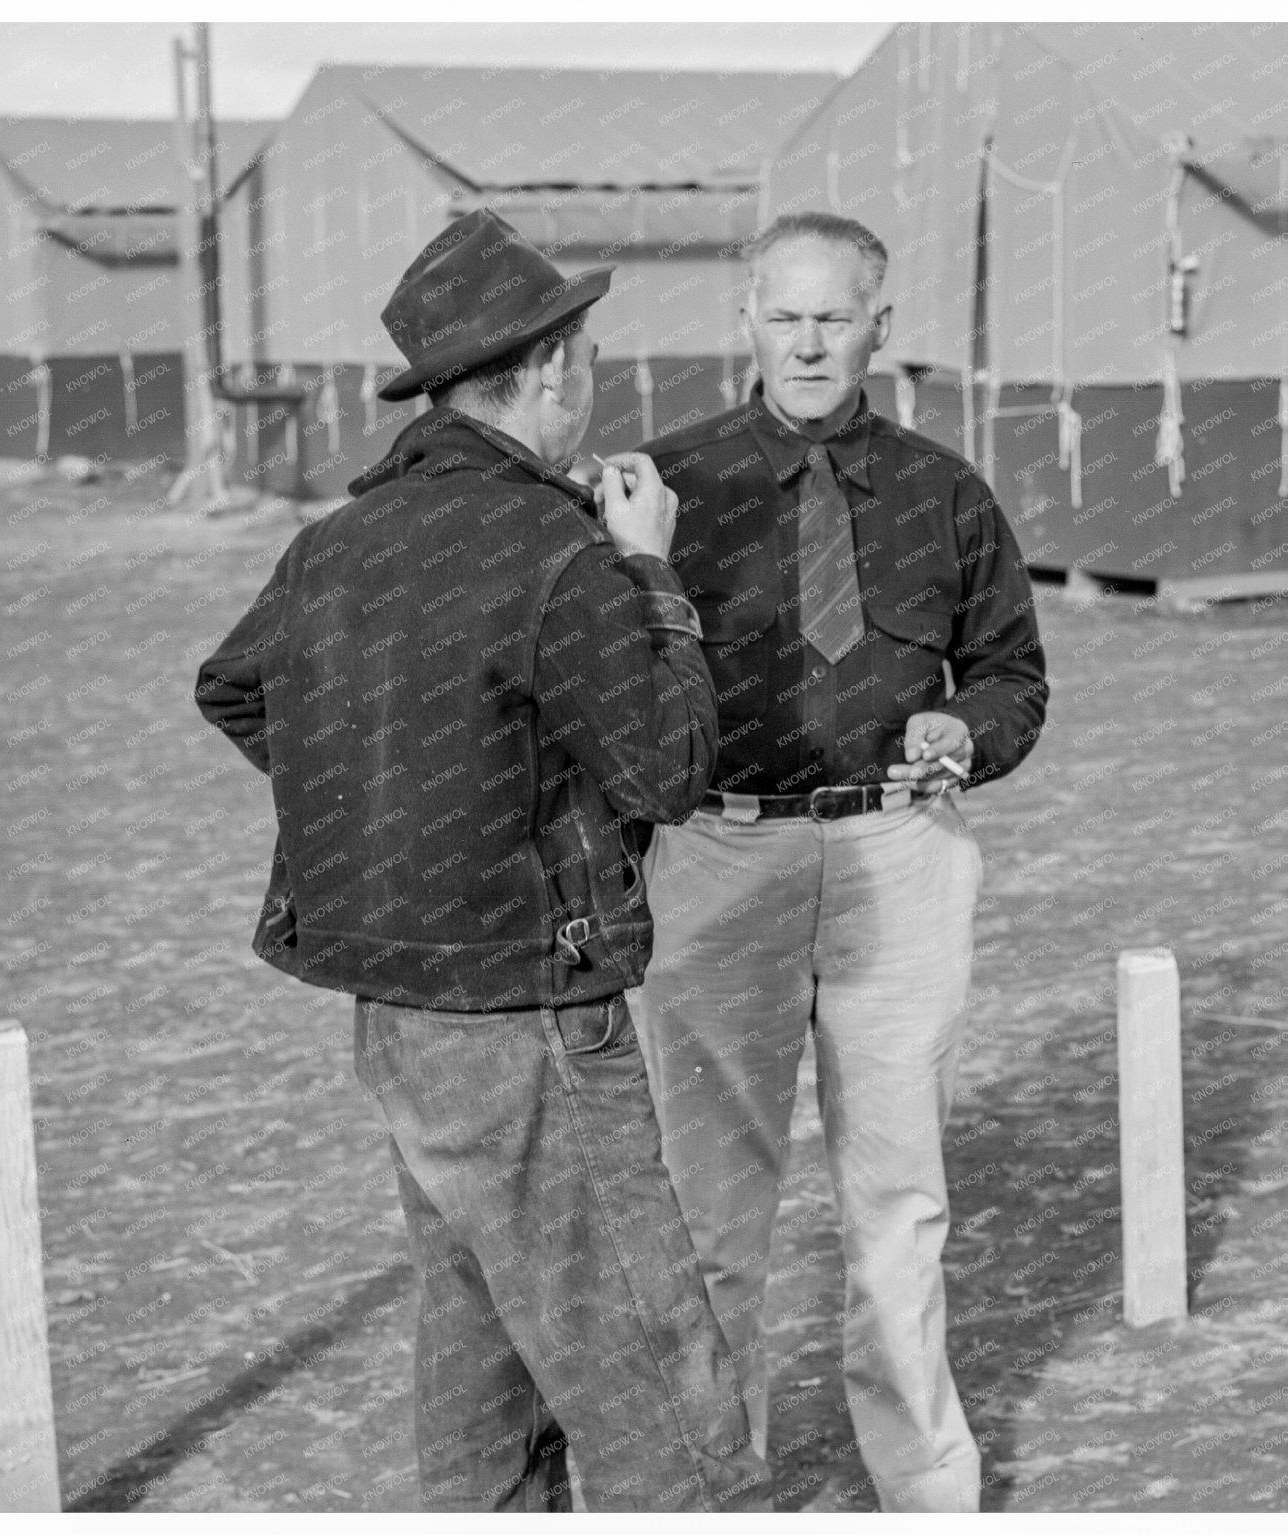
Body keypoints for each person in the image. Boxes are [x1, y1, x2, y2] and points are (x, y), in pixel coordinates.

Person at [194, 209, 767, 1513]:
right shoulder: (557, 548)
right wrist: (652, 575)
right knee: (658, 1399)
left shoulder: (335, 542)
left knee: (480, 1369)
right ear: (551, 368)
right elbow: (670, 769)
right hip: (529, 1009)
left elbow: (235, 689)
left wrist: (393, 815)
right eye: (588, 358)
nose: (592, 380)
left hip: (393, 1008)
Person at [630, 211, 1050, 1512]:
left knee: (899, 1207)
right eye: (784, 316)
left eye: (833, 317)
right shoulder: (660, 492)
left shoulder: (947, 493)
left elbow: (1014, 676)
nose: (808, 344)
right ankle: (710, 1493)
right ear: (745, 321)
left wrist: (967, 732)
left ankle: (926, 1491)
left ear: (880, 327)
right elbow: (607, 686)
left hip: (898, 853)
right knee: (708, 1215)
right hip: (718, 855)